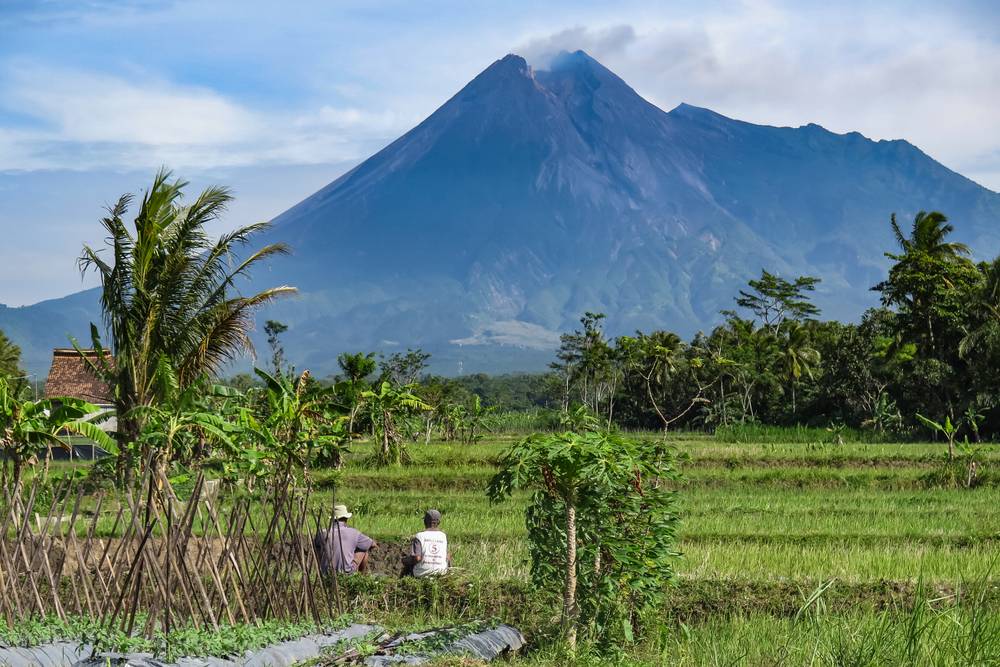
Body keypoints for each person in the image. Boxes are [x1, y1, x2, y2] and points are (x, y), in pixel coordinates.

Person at [314, 504, 377, 576]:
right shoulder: (354, 532)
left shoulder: (322, 532)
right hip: (345, 572)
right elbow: (372, 544)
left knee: (319, 549)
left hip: (325, 572)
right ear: (346, 519)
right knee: (363, 550)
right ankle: (360, 576)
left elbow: (316, 547)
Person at [403, 509, 450, 577]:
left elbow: (417, 558)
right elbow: (447, 556)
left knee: (406, 562)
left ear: (425, 521)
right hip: (441, 572)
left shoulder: (419, 536)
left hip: (421, 573)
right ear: (439, 522)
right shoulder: (443, 536)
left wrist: (406, 561)